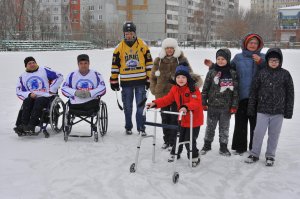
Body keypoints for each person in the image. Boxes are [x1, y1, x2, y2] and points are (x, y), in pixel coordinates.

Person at [205, 33, 265, 155]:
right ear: (245, 44)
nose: (253, 45)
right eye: (250, 43)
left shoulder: (263, 57)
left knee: (255, 125)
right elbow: (226, 67)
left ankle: (254, 148)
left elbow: (272, 69)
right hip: (241, 95)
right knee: (240, 123)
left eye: (255, 43)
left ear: (259, 45)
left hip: (257, 97)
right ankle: (240, 147)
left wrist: (261, 62)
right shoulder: (238, 57)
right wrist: (213, 66)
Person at [150, 38, 202, 150]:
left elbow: (190, 74)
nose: (169, 50)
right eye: (167, 48)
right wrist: (154, 89)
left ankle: (173, 141)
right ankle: (166, 140)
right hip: (162, 94)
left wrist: (193, 85)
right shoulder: (158, 60)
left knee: (175, 118)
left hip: (178, 95)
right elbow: (153, 77)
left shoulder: (182, 59)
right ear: (164, 49)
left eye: (171, 48)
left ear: (175, 49)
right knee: (164, 117)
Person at [147, 65, 204, 167]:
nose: (180, 80)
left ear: (187, 78)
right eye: (178, 77)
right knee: (178, 137)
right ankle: (175, 153)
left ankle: (194, 156)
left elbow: (196, 102)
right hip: (181, 118)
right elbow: (167, 99)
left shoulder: (193, 89)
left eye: (183, 77)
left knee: (189, 140)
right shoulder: (175, 89)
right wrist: (155, 103)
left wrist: (185, 107)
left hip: (193, 120)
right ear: (175, 78)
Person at [245, 48, 294, 166]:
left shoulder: (285, 74)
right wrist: (251, 107)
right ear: (267, 61)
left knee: (274, 134)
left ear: (280, 61)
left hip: (278, 111)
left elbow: (290, 93)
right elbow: (254, 91)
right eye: (271, 60)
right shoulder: (261, 73)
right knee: (258, 133)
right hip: (262, 110)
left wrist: (288, 110)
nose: (273, 62)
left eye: (276, 60)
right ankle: (254, 154)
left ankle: (270, 156)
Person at [110, 21, 153, 136]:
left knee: (140, 107)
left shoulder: (142, 45)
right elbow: (115, 66)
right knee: (128, 108)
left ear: (134, 33)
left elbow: (149, 63)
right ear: (124, 34)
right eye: (126, 33)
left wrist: (150, 78)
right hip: (126, 83)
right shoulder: (119, 48)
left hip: (140, 82)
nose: (128, 35)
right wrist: (114, 80)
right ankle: (128, 127)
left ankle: (141, 128)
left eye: (131, 33)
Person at [201, 49, 239, 156]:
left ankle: (223, 147)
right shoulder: (211, 72)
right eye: (218, 59)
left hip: (226, 107)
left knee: (224, 128)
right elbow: (205, 89)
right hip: (212, 106)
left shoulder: (232, 73)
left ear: (228, 60)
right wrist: (204, 102)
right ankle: (207, 145)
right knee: (210, 127)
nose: (220, 61)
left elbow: (235, 91)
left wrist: (234, 106)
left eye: (223, 59)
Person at [14, 56, 63, 135]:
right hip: (32, 96)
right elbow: (19, 91)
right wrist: (29, 94)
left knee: (39, 101)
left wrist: (52, 89)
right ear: (26, 66)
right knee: (26, 101)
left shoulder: (44, 70)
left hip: (46, 96)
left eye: (33, 62)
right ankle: (24, 125)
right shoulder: (22, 76)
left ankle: (32, 125)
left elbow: (59, 76)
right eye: (29, 63)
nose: (32, 64)